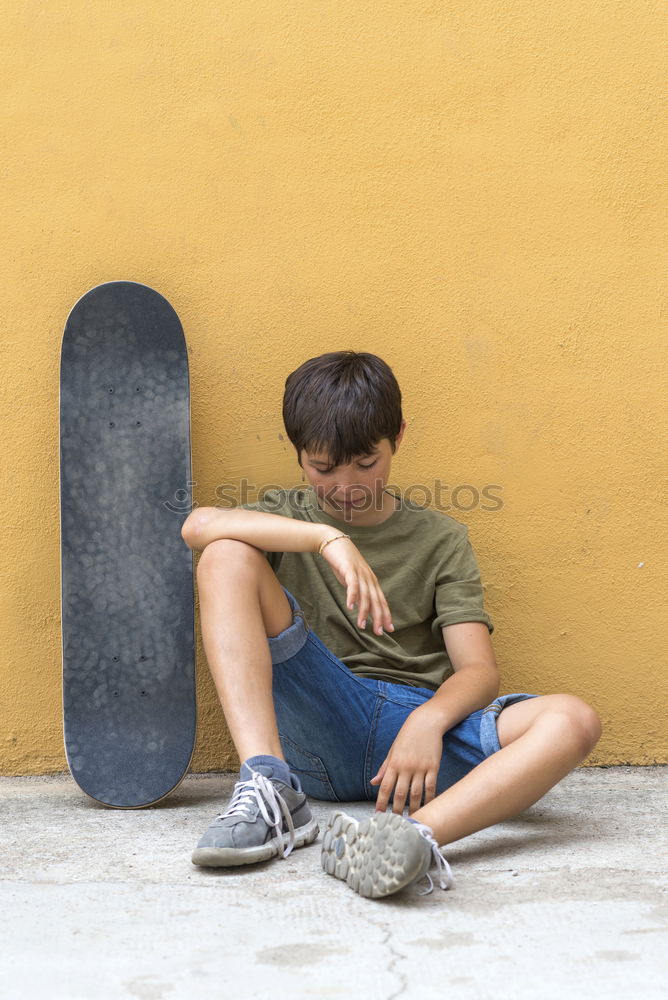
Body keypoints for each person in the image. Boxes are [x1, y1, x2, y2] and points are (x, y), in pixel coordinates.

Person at [181, 351, 601, 898]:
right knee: (225, 555)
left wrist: (427, 722)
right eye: (322, 467)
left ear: (397, 437)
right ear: (300, 456)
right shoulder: (287, 519)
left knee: (574, 720)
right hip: (318, 715)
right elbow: (198, 526)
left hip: (419, 743)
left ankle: (408, 839)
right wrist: (327, 539)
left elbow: (478, 670)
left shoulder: (442, 538)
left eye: (365, 463)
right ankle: (271, 787)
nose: (346, 485)